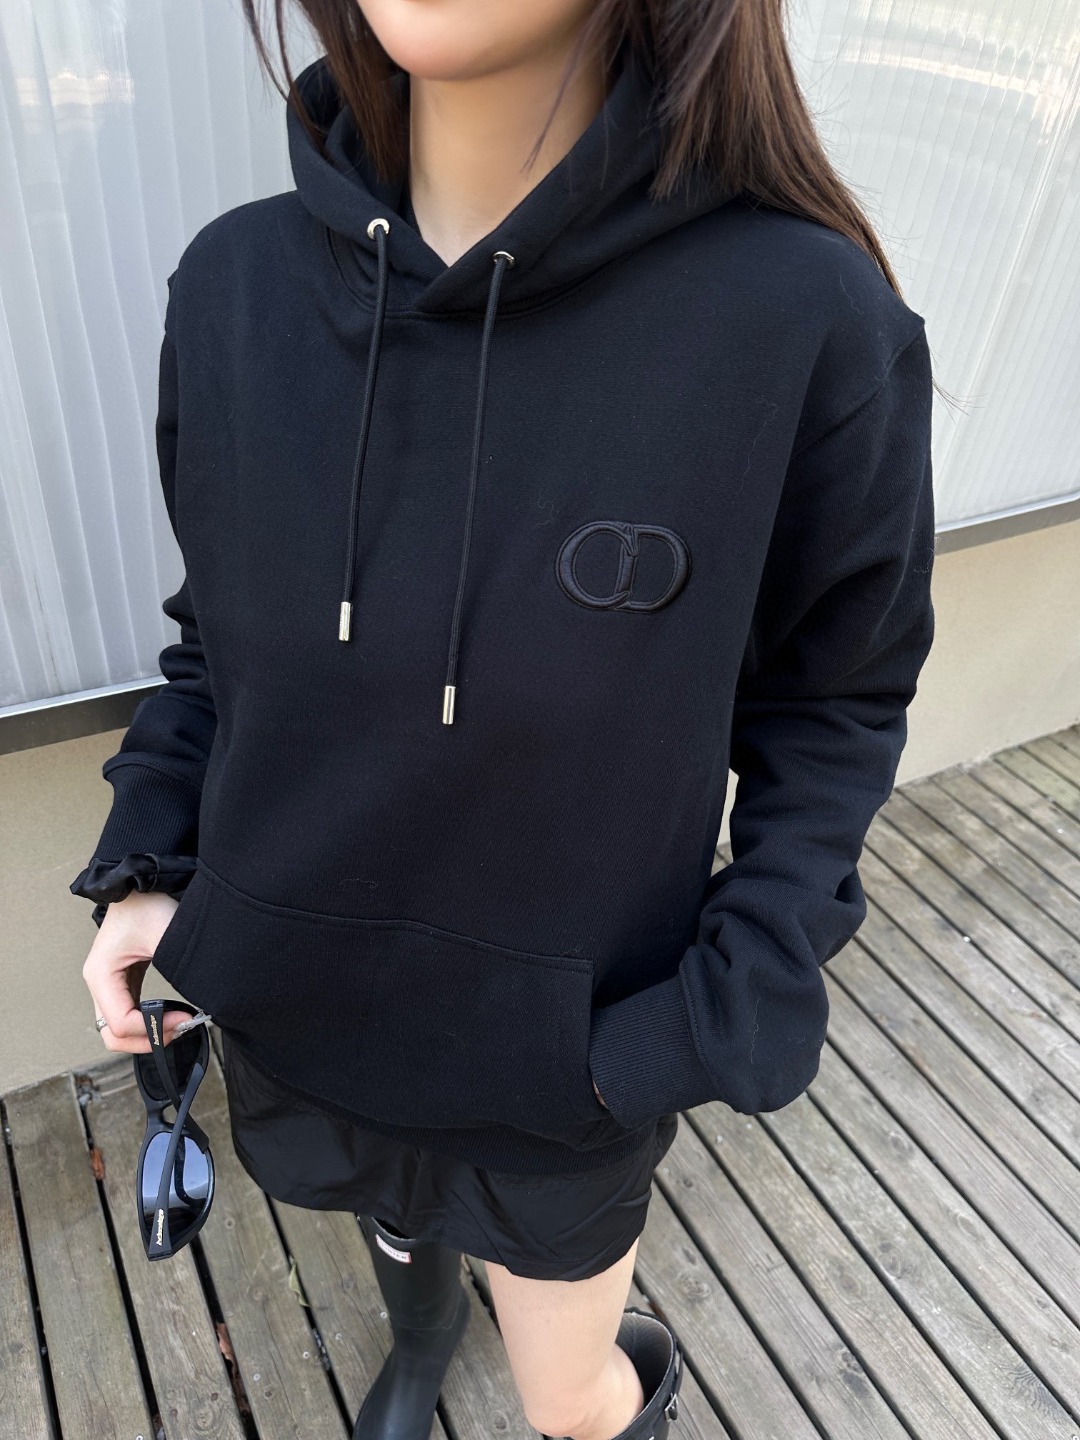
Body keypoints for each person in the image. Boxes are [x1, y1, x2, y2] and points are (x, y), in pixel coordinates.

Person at [73, 1, 938, 1438]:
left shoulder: (801, 318)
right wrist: (151, 864)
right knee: (396, 1233)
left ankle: (604, 1394)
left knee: (568, 1398)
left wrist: (707, 1013)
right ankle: (421, 1345)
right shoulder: (233, 287)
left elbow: (833, 704)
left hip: (567, 1066)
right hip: (304, 1011)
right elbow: (220, 641)